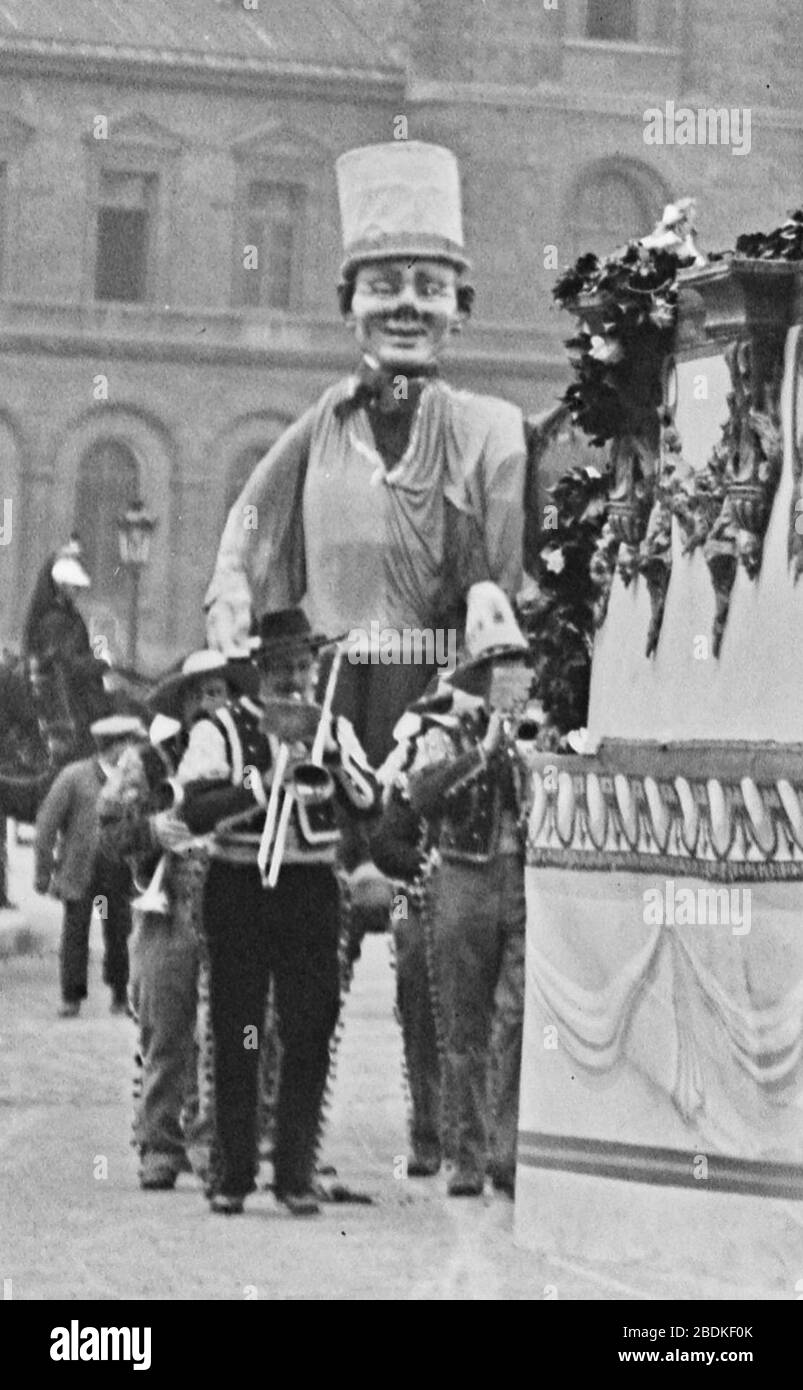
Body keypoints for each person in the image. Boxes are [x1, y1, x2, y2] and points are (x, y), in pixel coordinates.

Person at [205, 140, 526, 768]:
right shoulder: (324, 423)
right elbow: (251, 516)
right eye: (382, 286)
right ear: (347, 304)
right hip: (333, 688)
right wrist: (230, 582)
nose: (406, 305)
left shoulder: (492, 431)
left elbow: (512, 582)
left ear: (461, 309)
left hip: (438, 685)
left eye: (429, 287)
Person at [177, 609, 380, 1216]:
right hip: (239, 882)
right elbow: (192, 809)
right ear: (260, 671)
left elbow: (370, 803)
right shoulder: (223, 727)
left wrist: (332, 759)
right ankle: (233, 1173)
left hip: (310, 888)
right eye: (284, 667)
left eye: (304, 665)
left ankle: (293, 1172)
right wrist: (265, 783)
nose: (296, 679)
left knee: (310, 1028)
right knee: (238, 1029)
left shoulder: (333, 726)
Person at [97, 650, 257, 1191]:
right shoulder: (148, 760)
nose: (213, 704)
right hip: (167, 903)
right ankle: (159, 1144)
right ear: (185, 703)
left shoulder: (247, 758)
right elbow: (109, 829)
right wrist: (150, 831)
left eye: (221, 694)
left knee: (227, 1031)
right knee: (165, 1024)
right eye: (202, 694)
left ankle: (214, 1143)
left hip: (232, 898)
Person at [405, 583, 533, 1197]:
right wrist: (483, 753)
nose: (504, 679)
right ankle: (466, 1155)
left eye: (512, 666)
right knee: (464, 1024)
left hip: (518, 878)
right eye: (493, 666)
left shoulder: (534, 725)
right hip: (460, 874)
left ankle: (506, 1151)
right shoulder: (441, 723)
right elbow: (421, 795)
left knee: (517, 1014)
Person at [34, 713, 147, 1017]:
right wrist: (43, 871)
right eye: (129, 744)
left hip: (116, 875)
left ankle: (120, 994)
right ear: (115, 746)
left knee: (117, 932)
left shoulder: (136, 780)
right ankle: (72, 996)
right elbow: (47, 822)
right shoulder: (74, 776)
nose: (134, 750)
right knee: (76, 932)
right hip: (80, 874)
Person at [23, 538, 109, 748]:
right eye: (74, 586)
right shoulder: (54, 621)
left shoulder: (71, 617)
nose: (78, 591)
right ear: (61, 586)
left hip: (77, 691)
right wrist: (100, 663)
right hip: (66, 700)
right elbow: (67, 664)